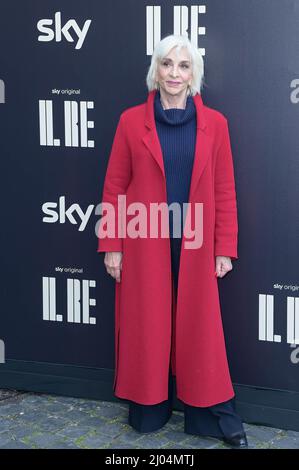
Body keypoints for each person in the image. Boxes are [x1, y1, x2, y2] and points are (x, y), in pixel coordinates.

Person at [97, 34, 248, 449]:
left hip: (197, 243)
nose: (174, 73)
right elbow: (114, 187)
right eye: (167, 64)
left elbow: (224, 188)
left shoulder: (216, 124)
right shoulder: (130, 121)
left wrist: (225, 247)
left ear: (194, 73)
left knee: (199, 327)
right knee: (148, 323)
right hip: (146, 240)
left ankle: (209, 411)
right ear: (156, 71)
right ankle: (150, 405)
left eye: (183, 66)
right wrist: (112, 242)